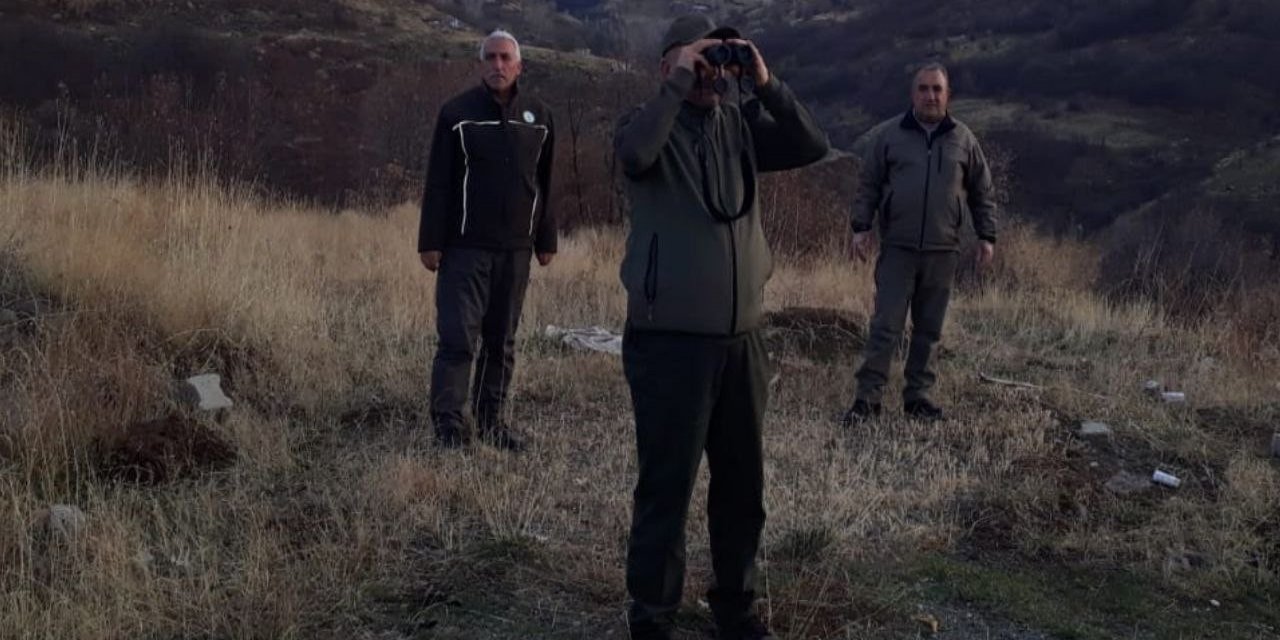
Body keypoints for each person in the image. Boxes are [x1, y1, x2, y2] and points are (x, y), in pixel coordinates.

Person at [614, 14, 828, 640]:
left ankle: (736, 608)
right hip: (668, 342)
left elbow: (813, 145)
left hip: (742, 340)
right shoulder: (641, 121)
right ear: (667, 66)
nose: (708, 72)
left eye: (715, 61)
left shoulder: (739, 126)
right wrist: (678, 86)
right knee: (667, 488)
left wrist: (765, 83)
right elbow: (634, 155)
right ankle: (652, 617)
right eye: (693, 60)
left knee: (742, 487)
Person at [418, 30, 556, 451]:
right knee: (459, 338)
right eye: (491, 58)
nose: (498, 65)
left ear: (519, 66)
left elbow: (546, 183)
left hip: (516, 251)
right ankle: (449, 428)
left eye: (505, 58)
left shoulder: (540, 116)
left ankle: (492, 421)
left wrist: (545, 240)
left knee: (502, 341)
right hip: (464, 249)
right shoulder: (456, 114)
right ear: (482, 64)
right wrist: (430, 241)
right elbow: (438, 181)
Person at [842, 62, 998, 425]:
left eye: (937, 89)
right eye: (924, 89)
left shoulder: (964, 139)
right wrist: (860, 227)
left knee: (929, 330)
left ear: (948, 94)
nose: (930, 95)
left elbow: (982, 191)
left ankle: (918, 398)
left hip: (944, 251)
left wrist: (987, 236)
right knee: (886, 326)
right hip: (898, 247)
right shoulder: (889, 136)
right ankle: (867, 401)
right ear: (913, 94)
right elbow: (869, 183)